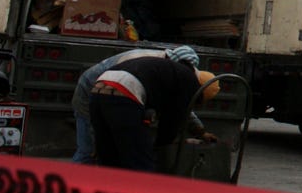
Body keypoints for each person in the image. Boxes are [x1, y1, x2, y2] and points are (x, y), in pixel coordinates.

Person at [72, 45, 201, 164]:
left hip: (104, 88)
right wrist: (162, 143)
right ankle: (71, 183)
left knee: (110, 152)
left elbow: (180, 104)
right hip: (91, 86)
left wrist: (197, 127)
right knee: (89, 150)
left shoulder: (164, 67)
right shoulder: (150, 61)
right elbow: (177, 109)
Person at [88, 54, 218, 171]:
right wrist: (161, 148)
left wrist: (200, 132)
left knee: (109, 155)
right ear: (199, 92)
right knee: (140, 162)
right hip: (125, 91)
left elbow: (183, 112)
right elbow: (173, 120)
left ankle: (107, 192)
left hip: (99, 87)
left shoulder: (173, 71)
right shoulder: (188, 82)